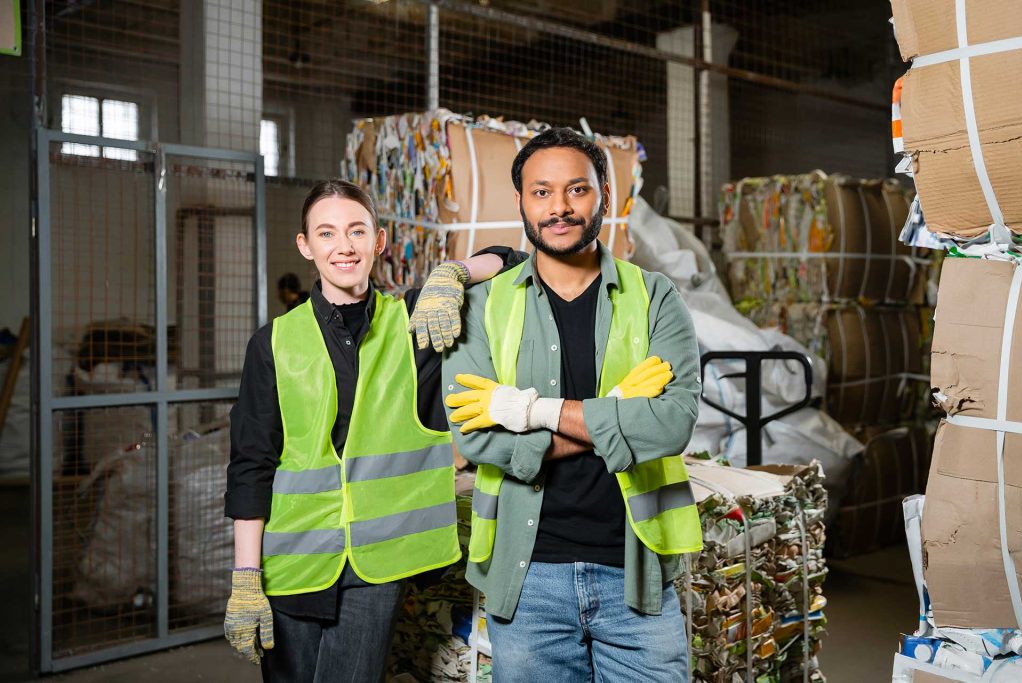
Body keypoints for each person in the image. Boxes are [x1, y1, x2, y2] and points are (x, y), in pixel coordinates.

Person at [223, 179, 523, 682]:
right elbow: (251, 464)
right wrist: (245, 577)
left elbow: (515, 263)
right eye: (327, 233)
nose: (344, 246)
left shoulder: (416, 323)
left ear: (379, 242)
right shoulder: (272, 343)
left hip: (376, 566)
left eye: (357, 231)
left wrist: (453, 273)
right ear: (306, 246)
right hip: (291, 563)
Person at [442, 128, 703, 682]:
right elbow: (477, 438)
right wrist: (612, 413)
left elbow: (670, 424)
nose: (559, 207)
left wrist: (529, 410)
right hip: (528, 577)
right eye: (541, 192)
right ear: (519, 202)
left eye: (576, 190)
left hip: (636, 574)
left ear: (604, 194)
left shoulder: (655, 297)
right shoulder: (481, 308)